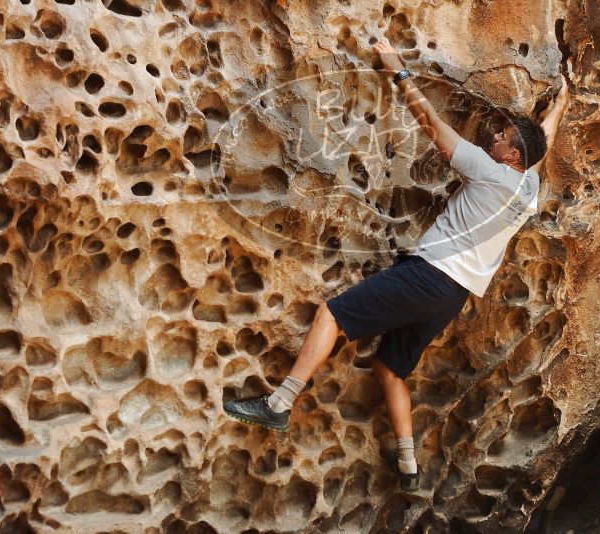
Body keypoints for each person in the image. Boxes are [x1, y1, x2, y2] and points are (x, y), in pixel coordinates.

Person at [224, 39, 571, 492]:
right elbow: (544, 138)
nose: (494, 137)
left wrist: (396, 69)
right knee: (390, 370)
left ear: (510, 156)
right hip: (452, 297)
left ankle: (280, 401)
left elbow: (429, 121)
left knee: (333, 313)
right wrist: (562, 101)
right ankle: (408, 463)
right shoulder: (528, 188)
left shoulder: (488, 170)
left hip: (428, 277)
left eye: (502, 138)